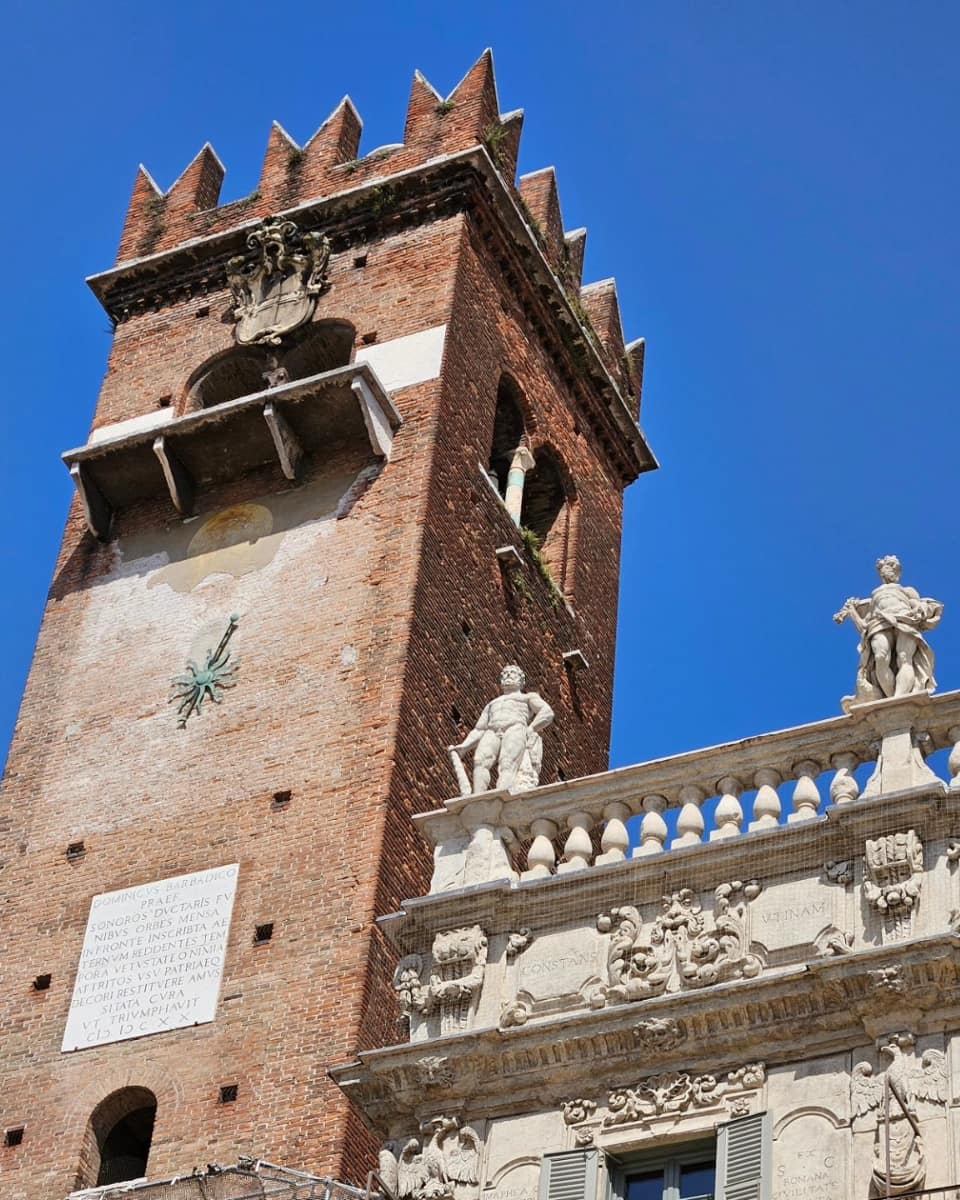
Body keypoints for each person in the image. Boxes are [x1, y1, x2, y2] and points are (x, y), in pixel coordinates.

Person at [834, 556, 943, 703]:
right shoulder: (874, 596)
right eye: (890, 567)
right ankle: (892, 701)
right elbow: (864, 627)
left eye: (896, 568)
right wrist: (852, 611)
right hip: (878, 623)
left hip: (905, 620)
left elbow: (917, 606)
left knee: (905, 657)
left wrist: (919, 609)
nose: (895, 571)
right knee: (880, 658)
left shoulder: (907, 590)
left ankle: (899, 697)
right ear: (881, 571)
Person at [449, 665, 554, 793]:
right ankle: (478, 797)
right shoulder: (492, 704)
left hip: (515, 727)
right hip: (492, 730)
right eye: (505, 674)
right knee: (479, 760)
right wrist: (464, 746)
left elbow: (547, 712)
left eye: (513, 673)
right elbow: (479, 729)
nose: (508, 675)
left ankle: (502, 795)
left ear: (521, 681)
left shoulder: (527, 698)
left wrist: (531, 728)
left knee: (507, 763)